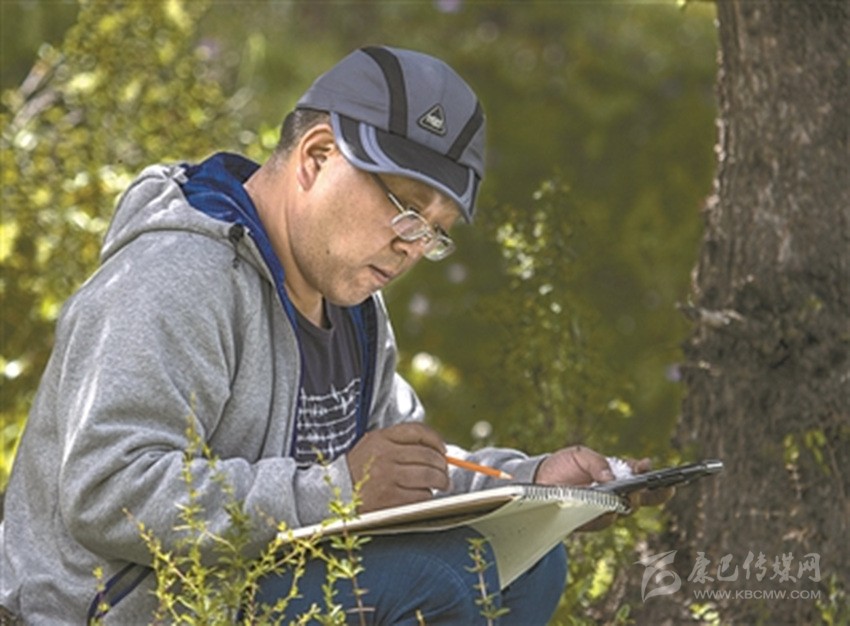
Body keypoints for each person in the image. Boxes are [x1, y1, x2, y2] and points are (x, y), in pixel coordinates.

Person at [0, 46, 667, 624]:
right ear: (317, 156)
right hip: (116, 612)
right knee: (429, 581)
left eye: (433, 232)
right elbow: (107, 490)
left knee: (529, 568)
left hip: (246, 584)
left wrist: (535, 483)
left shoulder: (352, 304)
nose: (412, 246)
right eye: (406, 208)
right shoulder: (177, 275)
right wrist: (334, 491)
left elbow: (397, 479)